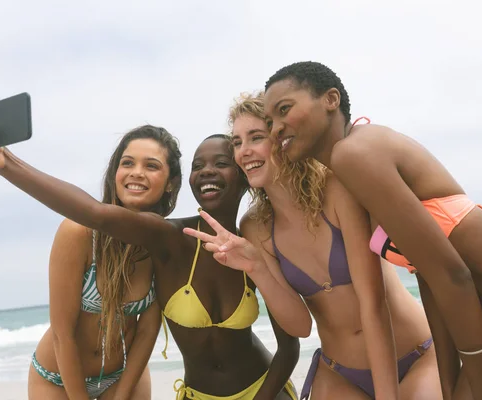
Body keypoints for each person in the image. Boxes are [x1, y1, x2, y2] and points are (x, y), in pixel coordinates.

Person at [0, 97, 299, 400]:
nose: (207, 172)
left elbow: (290, 342)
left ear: (241, 171)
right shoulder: (169, 238)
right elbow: (94, 213)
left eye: (221, 163)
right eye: (198, 165)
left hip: (263, 389)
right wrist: (7, 164)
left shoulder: (258, 237)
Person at [259, 61, 482, 400]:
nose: (276, 128)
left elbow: (453, 276)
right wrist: (449, 383)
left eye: (284, 110)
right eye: (269, 122)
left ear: (330, 99)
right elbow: (430, 277)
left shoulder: (355, 152)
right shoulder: (349, 171)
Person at [184, 92, 442, 399]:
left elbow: (373, 304)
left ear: (282, 139)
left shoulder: (337, 191)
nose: (244, 151)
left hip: (414, 357)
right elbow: (301, 326)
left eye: (255, 137)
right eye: (238, 142)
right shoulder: (255, 227)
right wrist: (256, 268)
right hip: (339, 373)